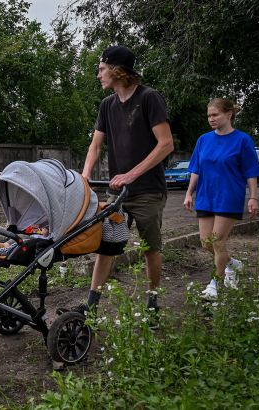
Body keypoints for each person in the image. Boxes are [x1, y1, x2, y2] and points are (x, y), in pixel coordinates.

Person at [58, 45, 174, 321]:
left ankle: (153, 302)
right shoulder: (107, 106)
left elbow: (166, 144)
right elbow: (95, 146)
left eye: (101, 69)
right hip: (119, 192)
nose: (98, 75)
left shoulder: (149, 98)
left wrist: (132, 174)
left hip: (147, 190)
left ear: (117, 70)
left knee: (150, 248)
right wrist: (84, 178)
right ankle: (92, 304)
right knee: (107, 243)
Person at [184, 98, 259, 300]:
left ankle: (215, 284)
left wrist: (253, 197)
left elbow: (250, 171)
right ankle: (231, 264)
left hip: (229, 196)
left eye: (215, 115)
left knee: (217, 241)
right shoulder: (203, 140)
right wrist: (188, 193)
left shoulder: (243, 140)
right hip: (205, 196)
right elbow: (196, 169)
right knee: (206, 243)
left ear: (229, 114)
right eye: (209, 115)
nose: (211, 119)